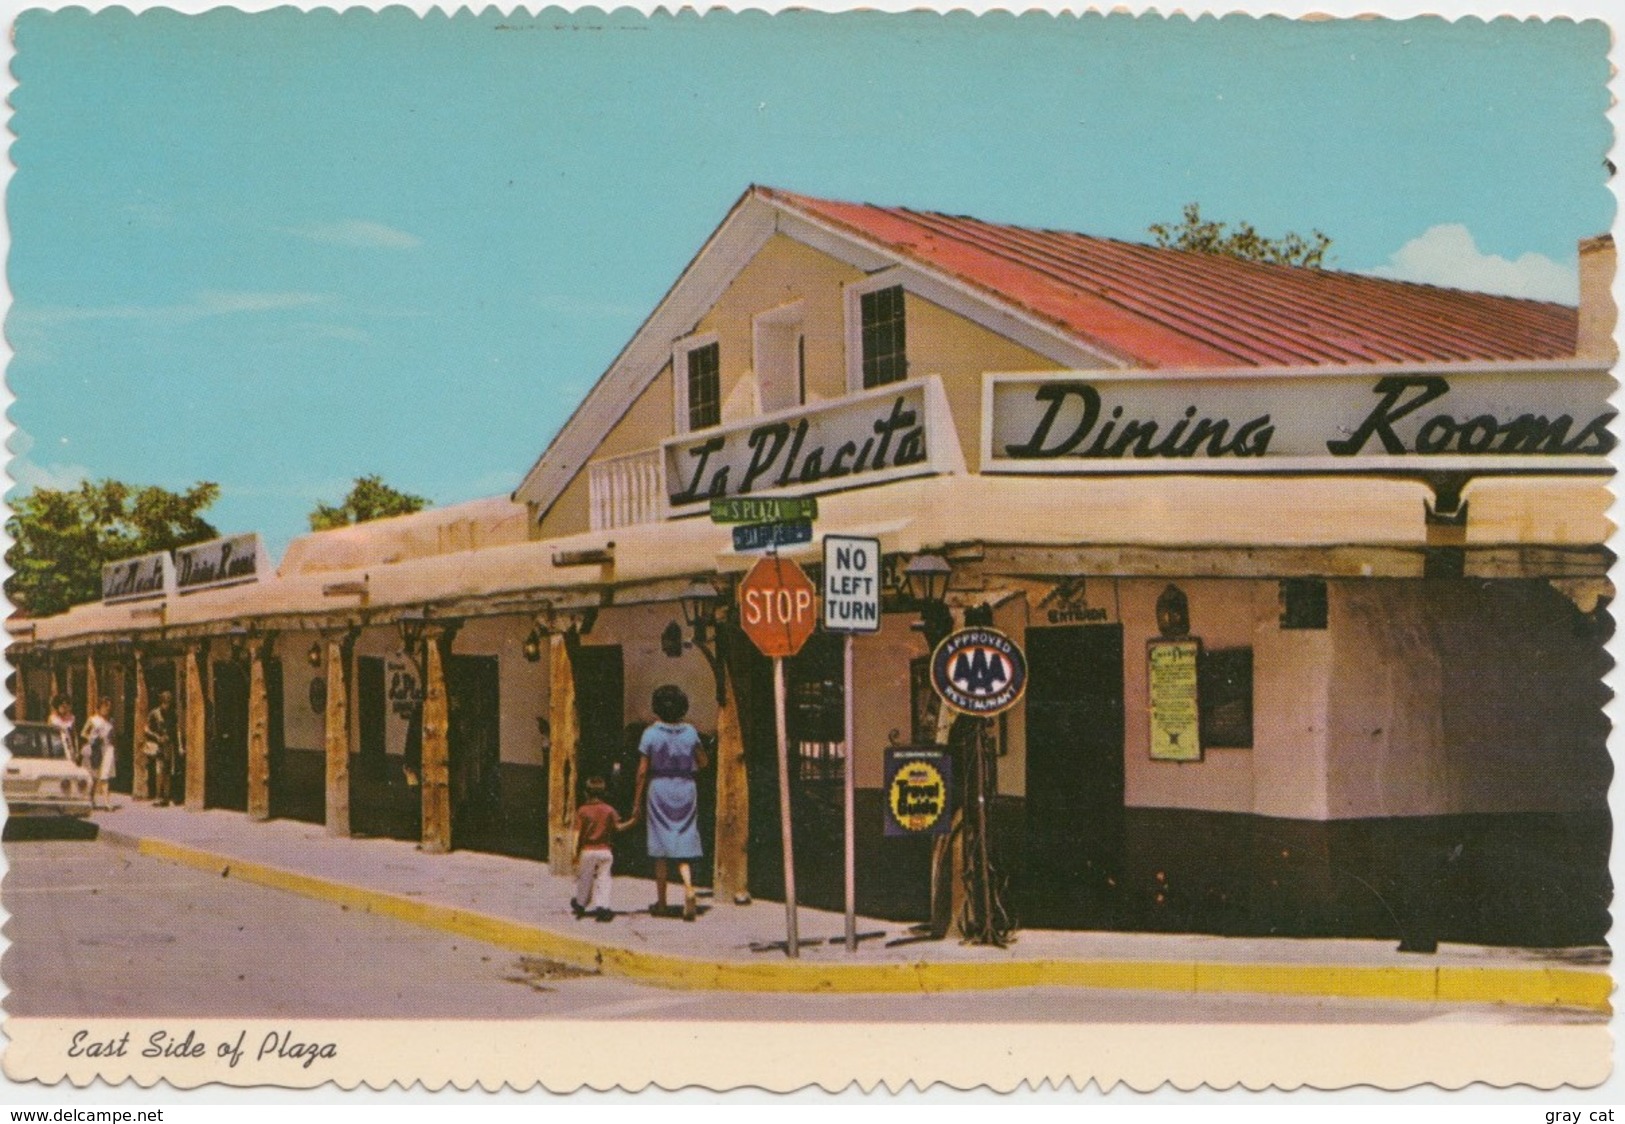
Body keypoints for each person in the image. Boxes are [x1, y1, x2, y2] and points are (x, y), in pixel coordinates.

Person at [629, 684, 709, 921]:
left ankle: (662, 904)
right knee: (683, 838)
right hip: (686, 788)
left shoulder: (650, 734)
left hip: (659, 788)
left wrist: (636, 803)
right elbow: (703, 762)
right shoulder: (690, 732)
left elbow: (642, 771)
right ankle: (688, 887)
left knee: (661, 849)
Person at [571, 776, 629, 923]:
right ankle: (602, 907)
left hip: (587, 851)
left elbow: (577, 835)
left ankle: (580, 903)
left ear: (586, 793)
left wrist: (574, 853)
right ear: (604, 793)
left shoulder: (582, 811)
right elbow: (618, 827)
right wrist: (633, 821)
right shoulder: (609, 810)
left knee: (585, 879)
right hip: (605, 851)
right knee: (604, 879)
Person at [81, 698, 116, 811]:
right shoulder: (93, 720)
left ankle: (107, 802)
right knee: (94, 775)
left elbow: (113, 735)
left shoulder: (111, 721)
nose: (106, 709)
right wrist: (93, 738)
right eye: (104, 706)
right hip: (95, 749)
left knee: (105, 775)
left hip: (107, 749)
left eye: (108, 707)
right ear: (99, 707)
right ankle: (91, 799)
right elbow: (83, 733)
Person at [145, 690, 176, 807]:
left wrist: (179, 745)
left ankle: (166, 797)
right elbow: (146, 728)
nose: (166, 706)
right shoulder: (154, 713)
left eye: (168, 703)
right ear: (161, 702)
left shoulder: (172, 713)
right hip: (159, 745)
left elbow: (176, 729)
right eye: (164, 703)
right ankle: (158, 795)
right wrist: (156, 736)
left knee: (168, 771)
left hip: (169, 744)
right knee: (159, 770)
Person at [47, 696, 77, 763]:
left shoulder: (72, 718)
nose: (64, 707)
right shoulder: (52, 718)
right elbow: (48, 733)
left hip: (68, 746)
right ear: (57, 706)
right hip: (55, 745)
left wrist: (76, 750)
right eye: (62, 705)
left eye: (66, 705)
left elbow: (74, 735)